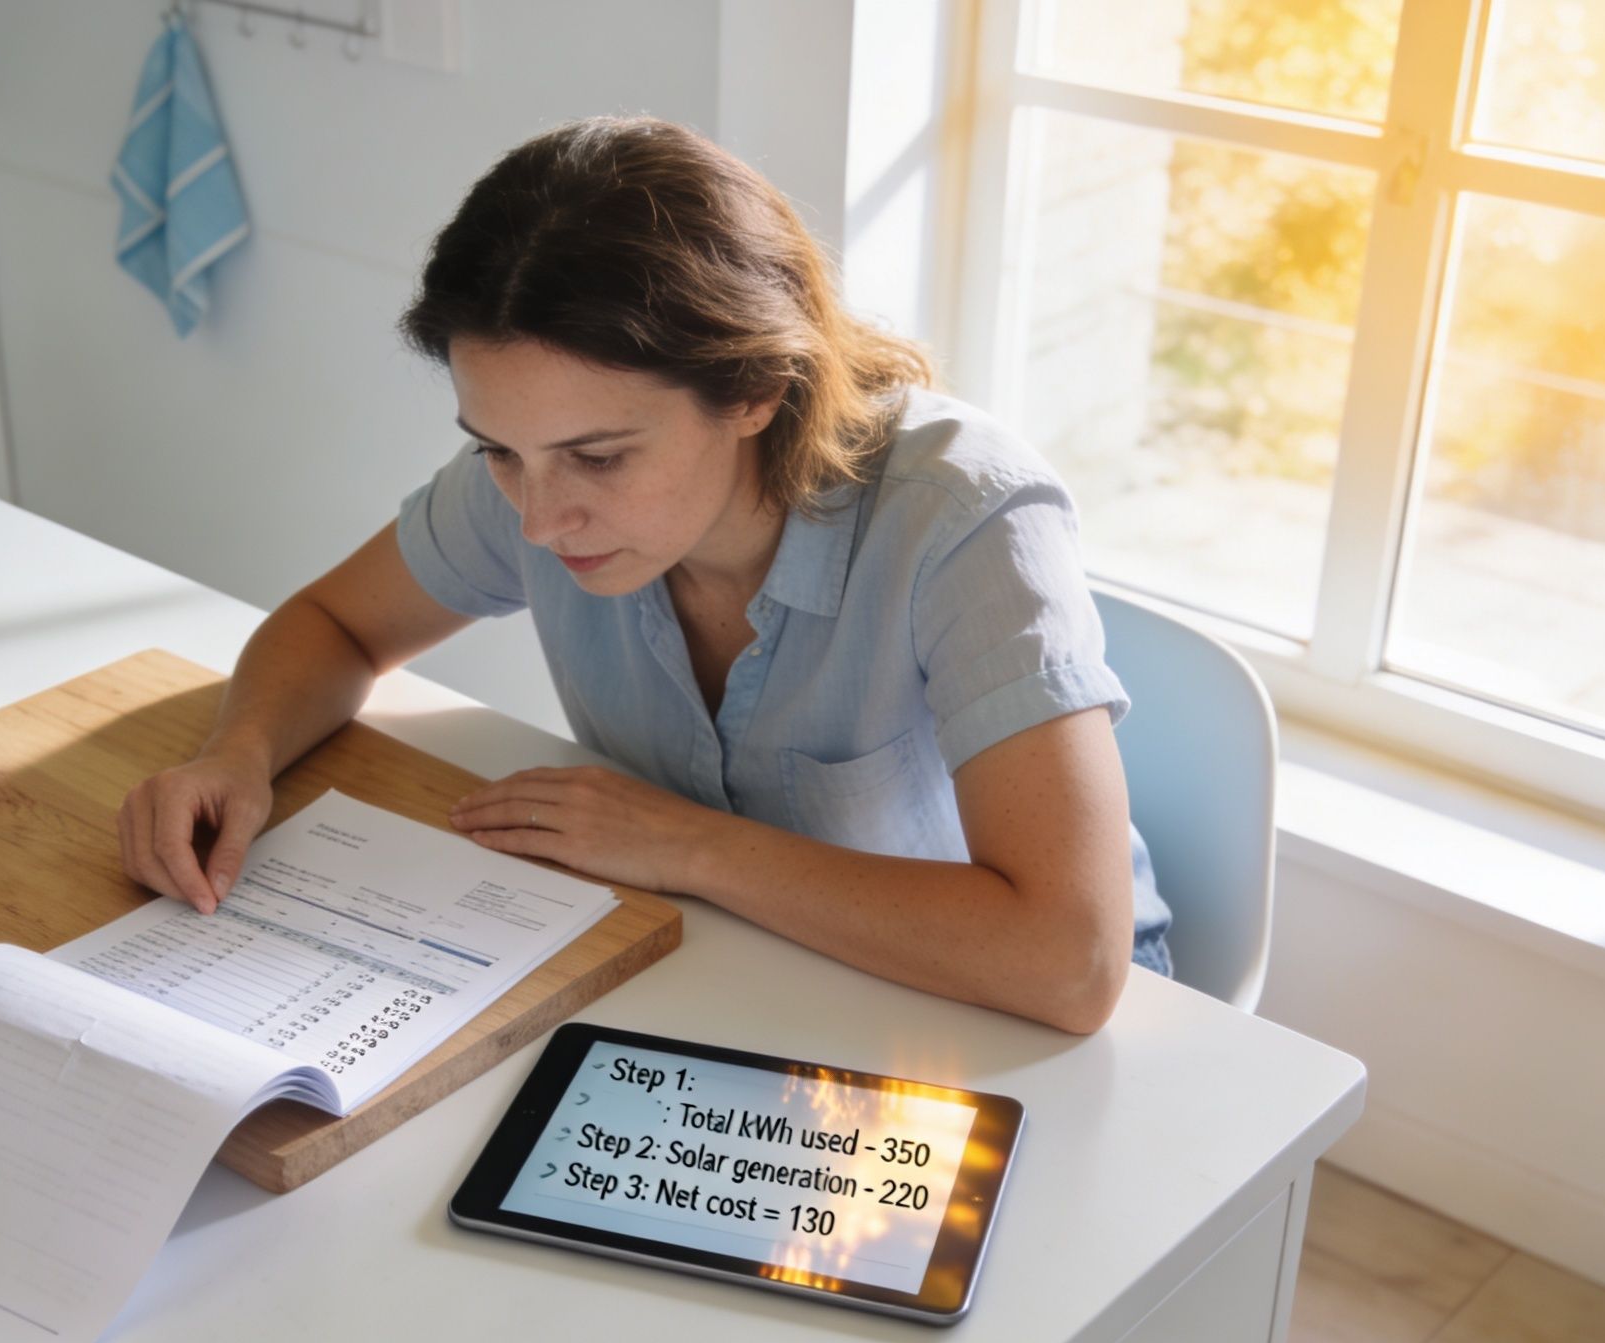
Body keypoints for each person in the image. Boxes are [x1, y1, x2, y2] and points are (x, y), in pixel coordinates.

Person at [117, 116, 1172, 1035]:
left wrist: (689, 847)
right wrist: (240, 753)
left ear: (755, 385)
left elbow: (1068, 961)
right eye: (495, 448)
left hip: (995, 1018)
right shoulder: (540, 471)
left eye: (599, 458)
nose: (536, 518)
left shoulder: (965, 519)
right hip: (741, 968)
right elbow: (337, 623)